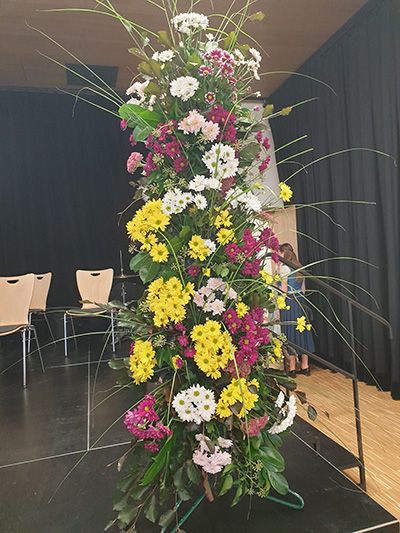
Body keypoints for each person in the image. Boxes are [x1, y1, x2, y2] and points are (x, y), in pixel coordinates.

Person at [277, 243, 315, 377]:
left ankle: (292, 368)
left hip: (290, 302)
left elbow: (284, 291)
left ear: (283, 253)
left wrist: (279, 308)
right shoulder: (299, 267)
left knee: (290, 333)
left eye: (279, 253)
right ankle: (305, 366)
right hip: (301, 302)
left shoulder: (284, 268)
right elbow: (303, 289)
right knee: (303, 331)